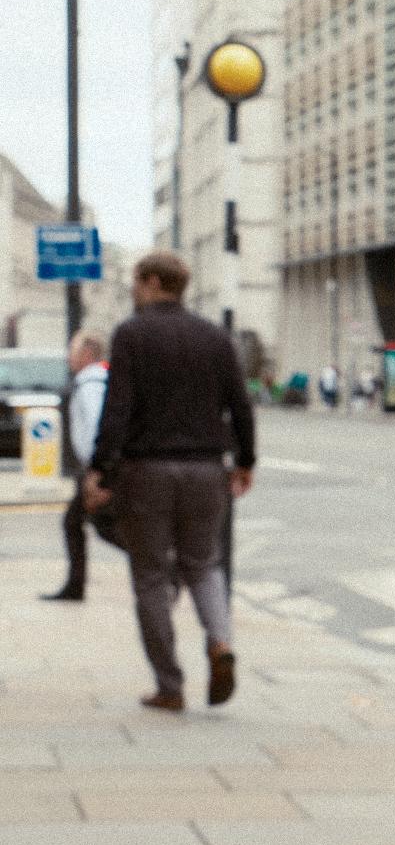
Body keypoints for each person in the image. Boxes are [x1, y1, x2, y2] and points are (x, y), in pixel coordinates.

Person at [86, 250, 254, 712]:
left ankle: (169, 685)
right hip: (206, 469)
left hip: (147, 470)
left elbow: (117, 408)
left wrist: (100, 469)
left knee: (151, 576)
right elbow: (240, 404)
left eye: (138, 282)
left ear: (153, 281)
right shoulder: (215, 338)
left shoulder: (132, 335)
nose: (134, 290)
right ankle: (219, 642)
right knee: (204, 564)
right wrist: (245, 460)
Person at [42, 331, 109, 604]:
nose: (69, 356)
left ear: (87, 354)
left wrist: (96, 470)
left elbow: (95, 426)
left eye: (73, 350)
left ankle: (75, 586)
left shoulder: (90, 384)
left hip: (96, 469)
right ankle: (75, 585)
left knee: (95, 523)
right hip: (96, 467)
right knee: (85, 522)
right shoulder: (96, 381)